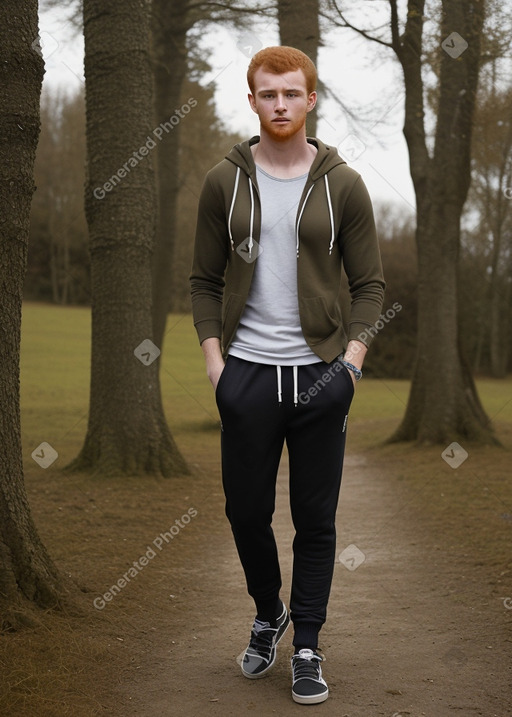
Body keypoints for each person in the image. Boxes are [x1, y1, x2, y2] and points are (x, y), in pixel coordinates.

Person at [190, 45, 385, 705]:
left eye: (291, 94)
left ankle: (306, 644)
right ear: (252, 101)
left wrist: (352, 363)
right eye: (268, 94)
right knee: (245, 511)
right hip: (245, 374)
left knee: (315, 518)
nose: (280, 105)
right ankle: (267, 608)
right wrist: (216, 363)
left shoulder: (343, 184)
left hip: (319, 377)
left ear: (310, 99)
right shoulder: (224, 181)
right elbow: (202, 279)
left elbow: (370, 286)